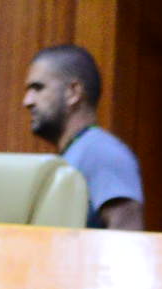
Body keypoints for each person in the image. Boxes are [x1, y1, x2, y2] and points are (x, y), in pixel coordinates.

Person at [23, 44, 143, 230]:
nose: (27, 101)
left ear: (73, 93)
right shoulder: (80, 150)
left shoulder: (101, 152)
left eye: (38, 88)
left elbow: (127, 236)